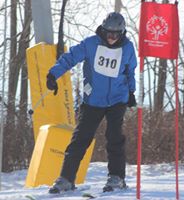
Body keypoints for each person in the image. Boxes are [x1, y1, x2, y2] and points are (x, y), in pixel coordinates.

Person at [46, 12, 137, 194]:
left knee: (114, 137)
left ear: (122, 33)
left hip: (117, 99)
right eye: (108, 33)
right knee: (80, 138)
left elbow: (130, 71)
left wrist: (131, 92)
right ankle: (66, 179)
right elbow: (70, 57)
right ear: (103, 30)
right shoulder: (91, 44)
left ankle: (117, 177)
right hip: (93, 100)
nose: (111, 38)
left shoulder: (127, 48)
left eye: (115, 35)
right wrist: (53, 74)